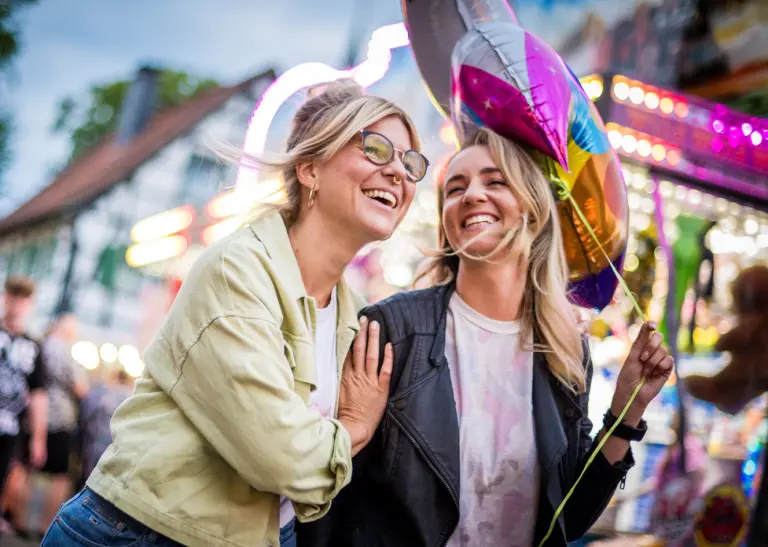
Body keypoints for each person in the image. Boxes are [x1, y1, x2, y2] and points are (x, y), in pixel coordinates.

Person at [41, 79, 428, 547]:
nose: (399, 173)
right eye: (376, 149)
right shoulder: (238, 272)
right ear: (309, 168)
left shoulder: (356, 315)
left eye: (411, 163)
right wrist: (355, 427)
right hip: (143, 534)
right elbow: (284, 459)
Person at [298, 128, 674, 547]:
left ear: (532, 209)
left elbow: (569, 515)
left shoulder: (566, 350)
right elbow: (332, 500)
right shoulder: (393, 330)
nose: (472, 195)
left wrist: (628, 409)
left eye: (495, 182)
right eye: (455, 189)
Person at [9, 313, 88, 539]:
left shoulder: (40, 345)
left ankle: (18, 521)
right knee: (59, 477)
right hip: (58, 419)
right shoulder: (62, 350)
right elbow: (81, 387)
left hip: (33, 416)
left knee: (27, 469)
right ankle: (46, 527)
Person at [0, 276, 48, 535]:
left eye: (23, 299)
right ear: (5, 297)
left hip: (10, 427)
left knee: (6, 478)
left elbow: (38, 394)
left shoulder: (33, 347)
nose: (17, 304)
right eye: (13, 297)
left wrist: (38, 438)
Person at [77, 364, 132, 483]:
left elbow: (85, 415)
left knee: (90, 481)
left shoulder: (99, 393)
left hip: (94, 445)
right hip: (118, 448)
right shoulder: (130, 397)